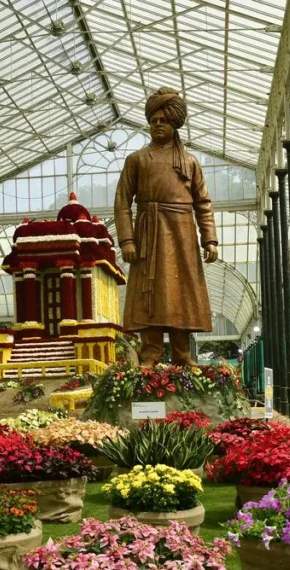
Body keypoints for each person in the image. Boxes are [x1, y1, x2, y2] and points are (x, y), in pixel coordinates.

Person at [114, 87, 218, 367]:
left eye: (163, 120)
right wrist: (127, 240)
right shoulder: (136, 160)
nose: (158, 124)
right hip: (149, 231)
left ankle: (183, 355)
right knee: (151, 294)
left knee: (182, 292)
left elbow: (203, 202)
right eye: (153, 120)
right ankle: (150, 354)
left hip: (182, 232)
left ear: (174, 123)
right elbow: (122, 201)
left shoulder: (190, 162)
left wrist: (209, 238)